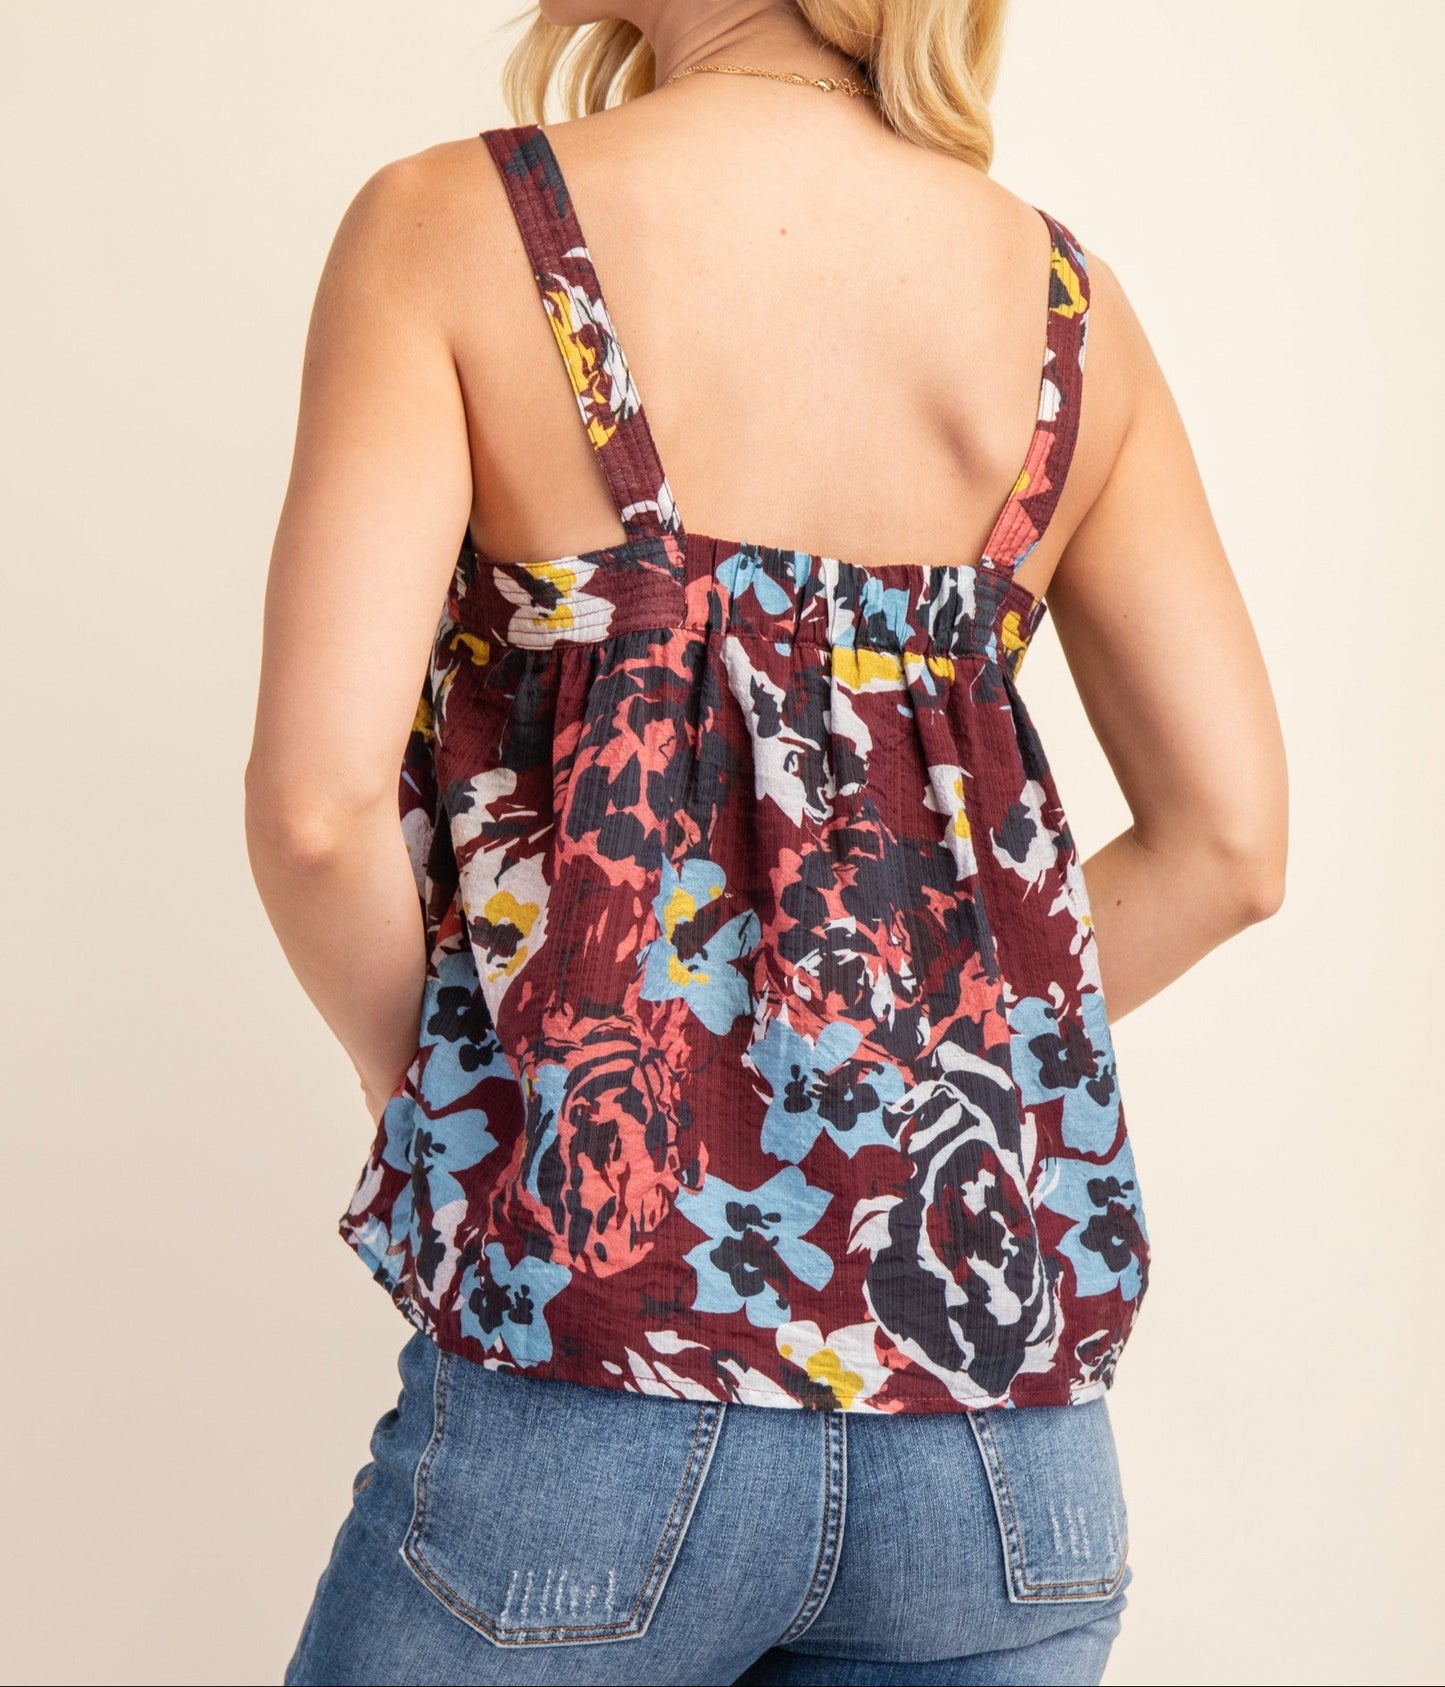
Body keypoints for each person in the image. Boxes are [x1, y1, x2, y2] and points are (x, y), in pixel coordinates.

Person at [245, 2, 1288, 1681]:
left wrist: (457, 1095)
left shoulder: (453, 223)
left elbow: (317, 812)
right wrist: (906, 1070)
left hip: (593, 1399)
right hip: (1000, 1461)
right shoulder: (1065, 307)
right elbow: (1229, 844)